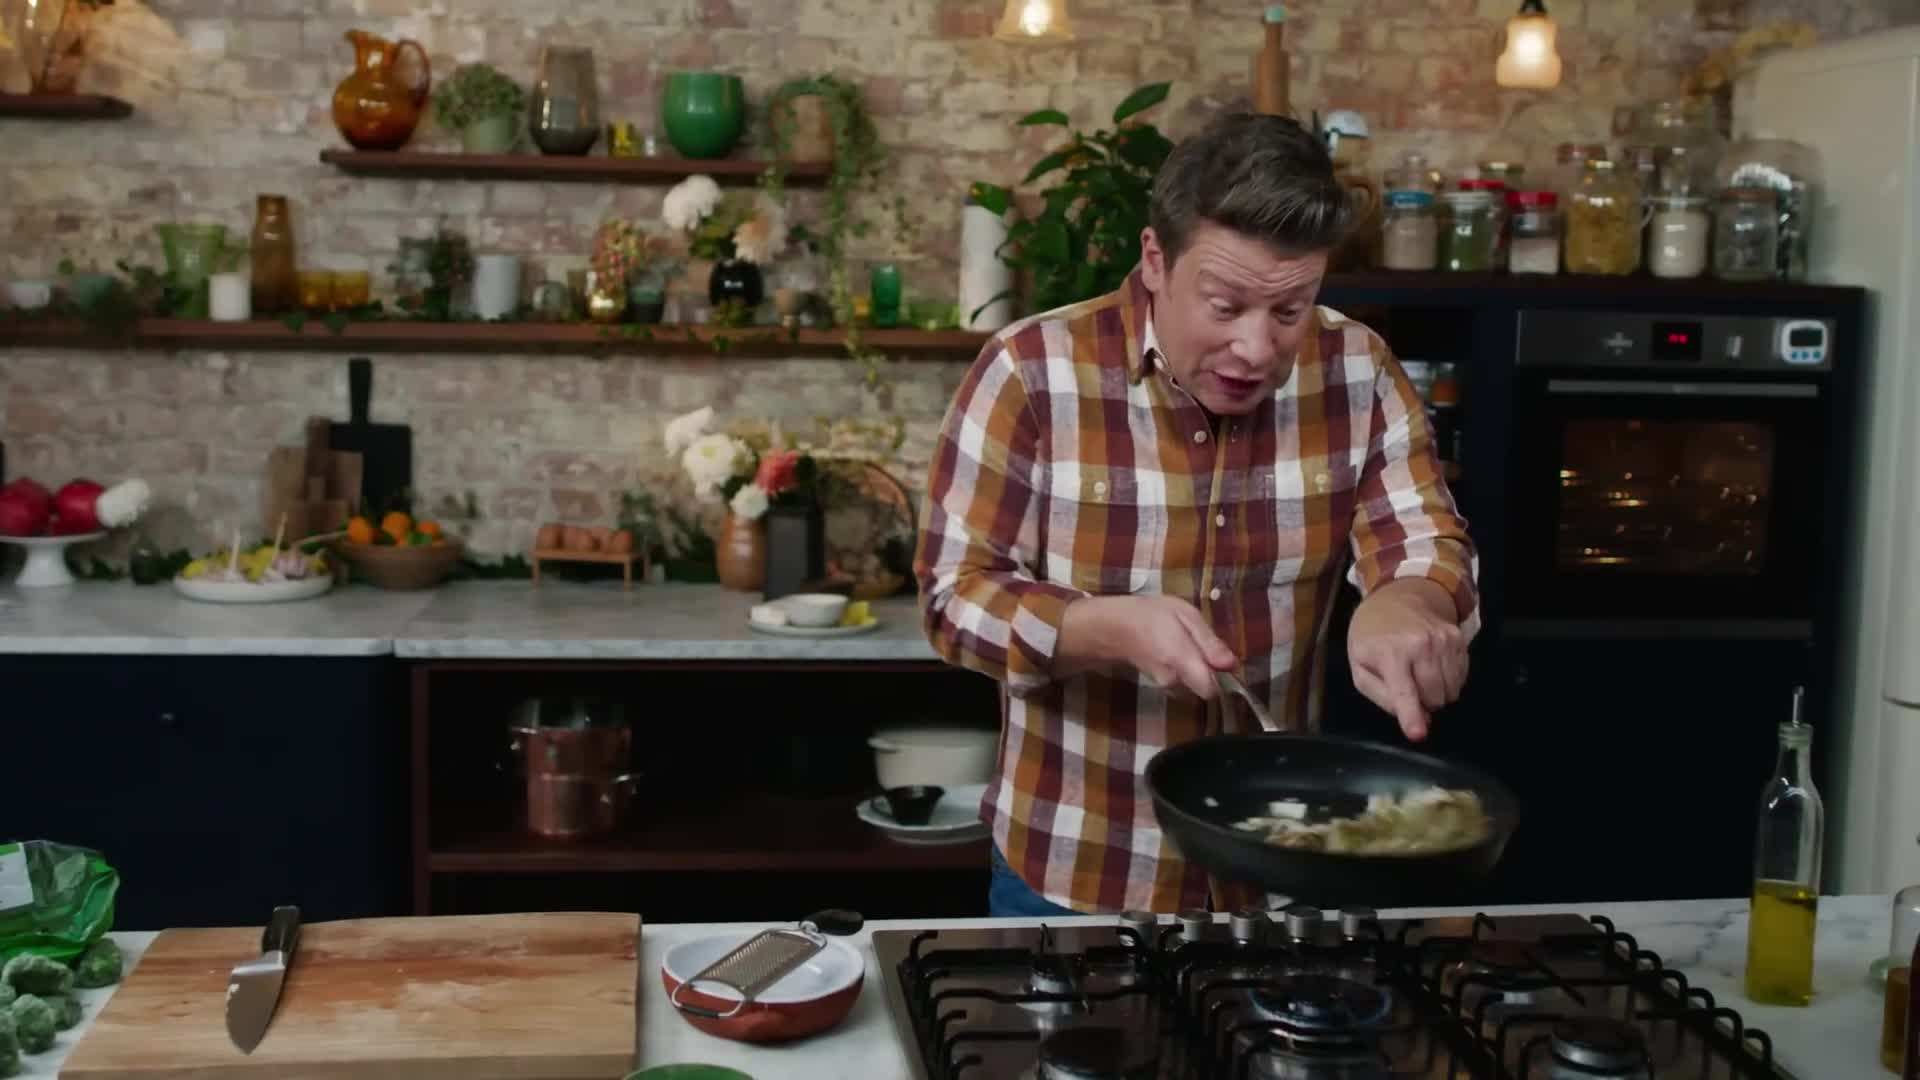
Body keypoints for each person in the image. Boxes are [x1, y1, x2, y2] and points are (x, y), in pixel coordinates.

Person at [913, 113, 1479, 916]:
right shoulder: (1029, 373)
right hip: (1079, 869)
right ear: (1155, 260)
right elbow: (951, 598)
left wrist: (1409, 601)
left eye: (1291, 311)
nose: (1256, 348)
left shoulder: (1358, 368)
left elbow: (1423, 541)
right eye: (1225, 306)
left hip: (1286, 872)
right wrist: (1106, 627)